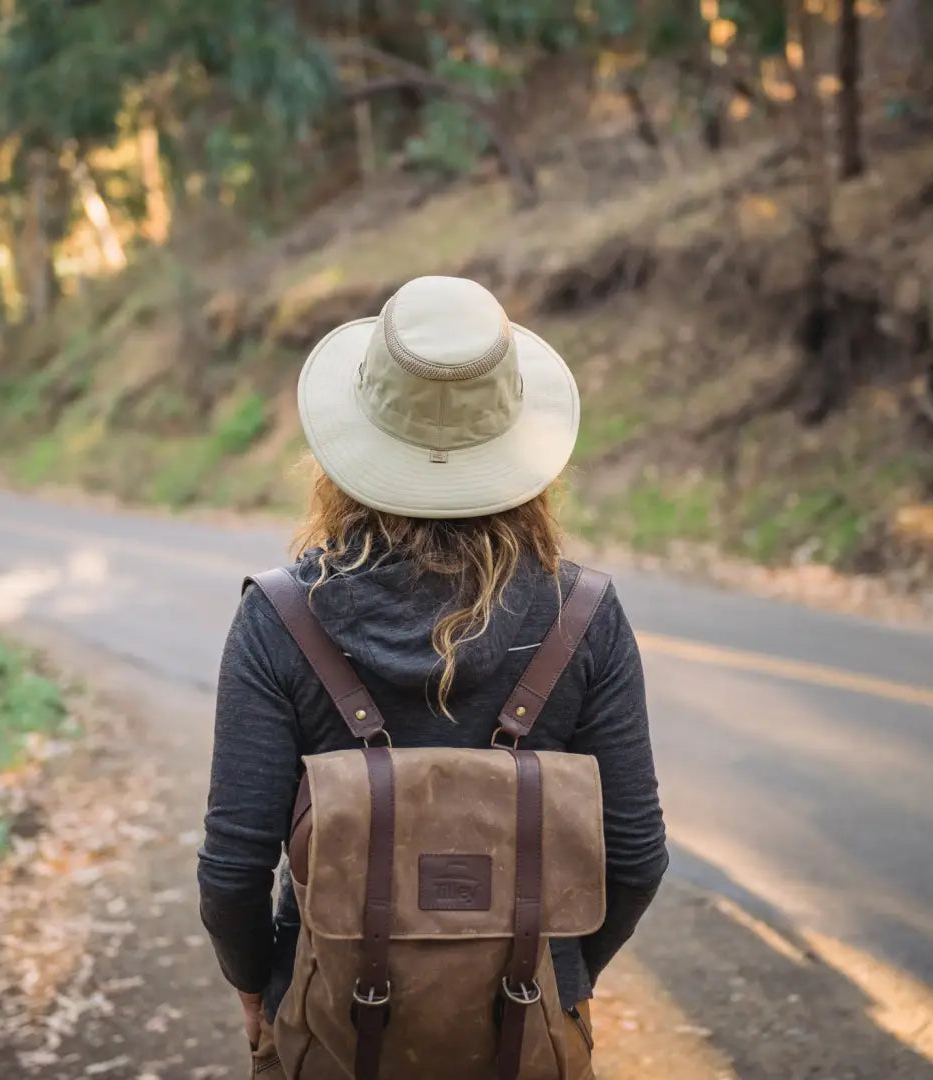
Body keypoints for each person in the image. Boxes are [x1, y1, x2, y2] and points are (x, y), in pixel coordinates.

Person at [198, 275, 668, 1078]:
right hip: (529, 1026)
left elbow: (234, 870)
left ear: (352, 443)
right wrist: (565, 974)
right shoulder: (586, 614)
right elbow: (635, 855)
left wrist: (261, 988)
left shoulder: (279, 619)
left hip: (332, 1020)